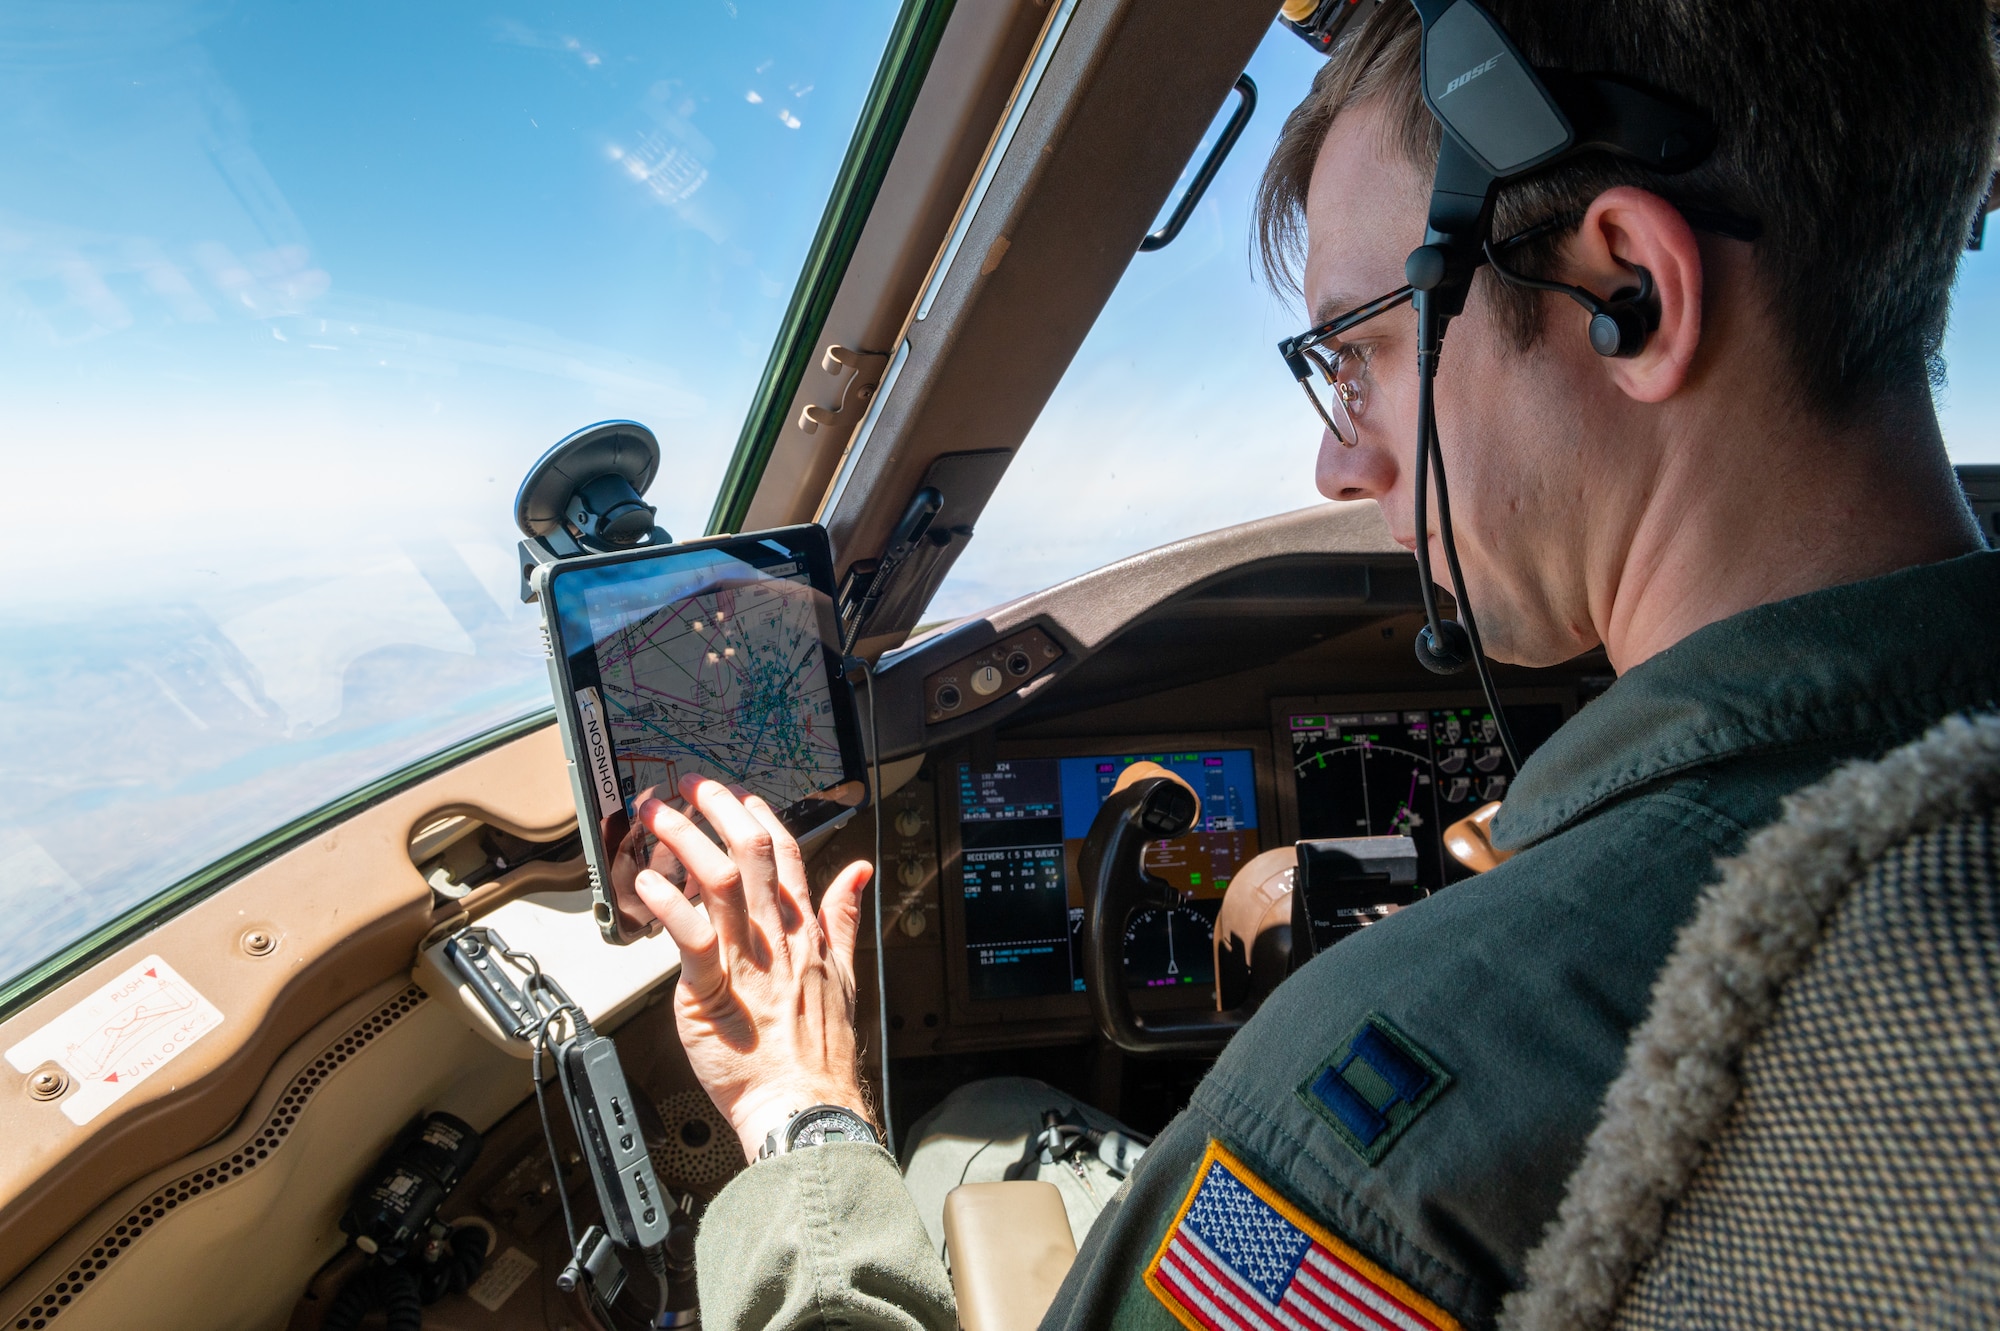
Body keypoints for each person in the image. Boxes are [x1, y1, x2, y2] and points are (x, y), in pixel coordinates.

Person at [630, 1, 2000, 1327]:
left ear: (1623, 291)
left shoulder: (1395, 1104)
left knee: (967, 1134)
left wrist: (796, 1109)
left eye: (1359, 357)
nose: (1340, 463)